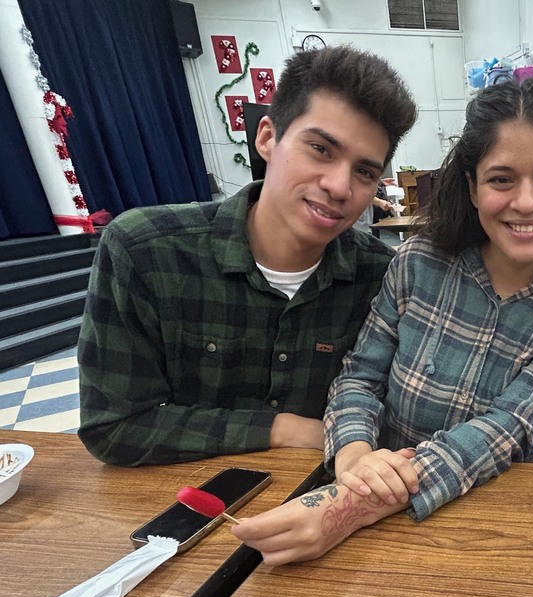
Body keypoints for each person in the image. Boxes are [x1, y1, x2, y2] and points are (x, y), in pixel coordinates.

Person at [232, 78, 533, 565]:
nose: (526, 202)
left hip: (491, 527)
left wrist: (351, 506)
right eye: (501, 180)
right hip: (372, 505)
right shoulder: (419, 261)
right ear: (472, 187)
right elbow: (359, 377)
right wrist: (353, 456)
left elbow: (508, 427)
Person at [77, 46, 417, 466]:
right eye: (320, 149)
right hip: (178, 495)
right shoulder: (146, 251)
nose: (339, 186)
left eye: (364, 172)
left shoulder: (382, 277)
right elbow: (113, 425)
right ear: (267, 138)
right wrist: (283, 428)